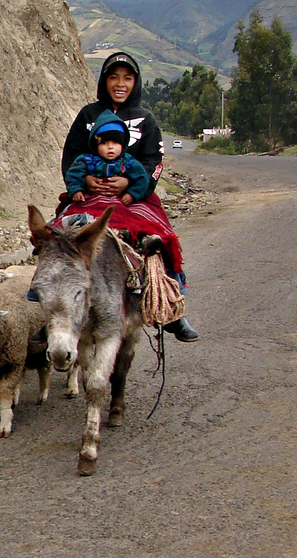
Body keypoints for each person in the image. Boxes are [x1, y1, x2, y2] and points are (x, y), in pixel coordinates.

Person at [60, 50, 199, 342]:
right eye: (113, 77)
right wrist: (84, 181)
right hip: (90, 195)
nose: (120, 83)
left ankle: (171, 308)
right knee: (60, 233)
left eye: (127, 77)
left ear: (136, 82)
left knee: (160, 237)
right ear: (104, 81)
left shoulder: (145, 119)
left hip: (134, 197)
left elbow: (154, 161)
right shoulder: (88, 115)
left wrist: (131, 185)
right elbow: (70, 154)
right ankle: (51, 305)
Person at [65, 110, 150, 207]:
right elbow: (73, 175)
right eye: (104, 143)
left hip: (119, 201)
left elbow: (142, 178)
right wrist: (77, 190)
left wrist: (131, 194)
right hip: (90, 200)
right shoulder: (86, 160)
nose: (110, 147)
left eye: (115, 142)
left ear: (123, 144)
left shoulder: (127, 162)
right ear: (95, 145)